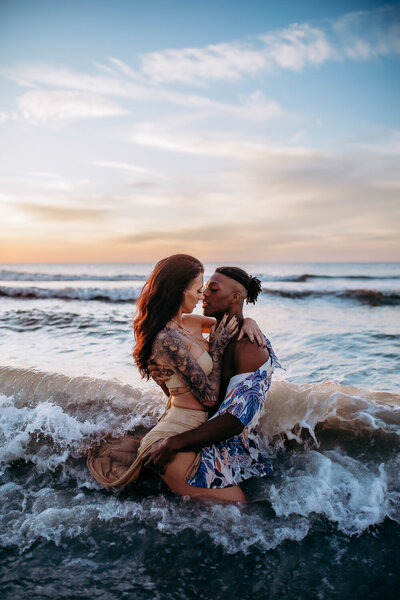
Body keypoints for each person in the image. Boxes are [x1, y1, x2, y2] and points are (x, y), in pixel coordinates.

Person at [87, 255, 265, 502]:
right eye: (198, 289)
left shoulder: (190, 323)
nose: (202, 296)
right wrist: (216, 347)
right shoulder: (167, 339)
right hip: (180, 430)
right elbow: (210, 399)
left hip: (196, 427)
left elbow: (230, 321)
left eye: (206, 289)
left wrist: (250, 321)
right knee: (239, 506)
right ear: (179, 291)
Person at [143, 266, 282, 501]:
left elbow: (235, 420)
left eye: (213, 289)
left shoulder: (248, 347)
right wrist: (165, 380)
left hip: (225, 441)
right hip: (201, 433)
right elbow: (205, 398)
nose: (204, 293)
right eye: (205, 287)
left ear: (236, 297)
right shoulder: (217, 332)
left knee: (240, 510)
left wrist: (173, 444)